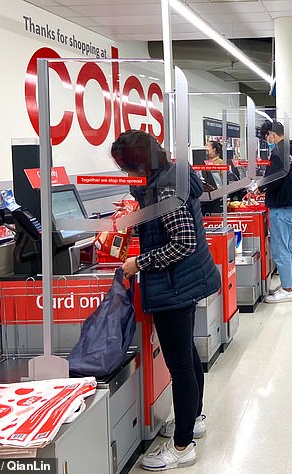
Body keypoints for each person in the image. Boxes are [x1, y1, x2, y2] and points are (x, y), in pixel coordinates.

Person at [113, 130, 221, 471]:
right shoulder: (168, 178)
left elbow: (183, 242)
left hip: (175, 284)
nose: (126, 174)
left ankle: (182, 446)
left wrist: (138, 263)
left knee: (180, 365)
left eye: (127, 167)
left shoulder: (166, 187)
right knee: (187, 354)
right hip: (183, 281)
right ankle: (194, 419)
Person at [259, 121, 292, 303]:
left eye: (267, 137)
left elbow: (272, 180)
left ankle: (287, 289)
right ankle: (290, 284)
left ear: (272, 134)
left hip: (281, 204)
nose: (267, 141)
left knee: (280, 248)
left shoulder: (278, 153)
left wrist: (258, 187)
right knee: (288, 246)